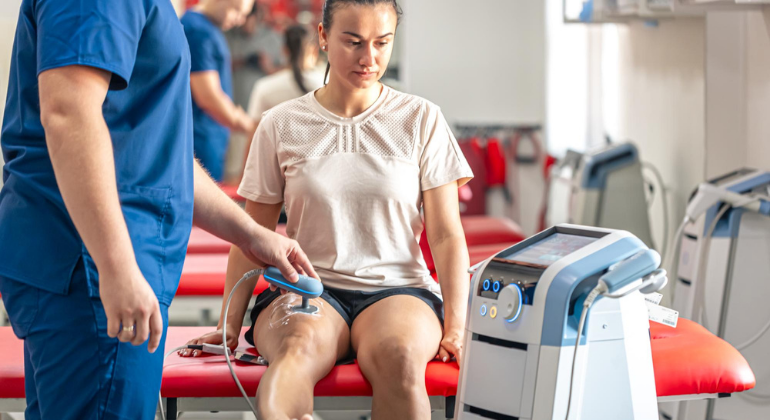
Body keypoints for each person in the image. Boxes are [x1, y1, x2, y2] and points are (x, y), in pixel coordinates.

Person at [0, 1, 317, 419]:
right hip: (91, 264)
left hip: (98, 260)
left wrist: (252, 234)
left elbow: (159, 154)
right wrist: (116, 269)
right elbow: (68, 113)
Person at [182, 1, 473, 419]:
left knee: (400, 359)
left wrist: (457, 325)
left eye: (382, 43)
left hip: (399, 289)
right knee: (294, 353)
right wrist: (229, 325)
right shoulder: (281, 123)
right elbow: (251, 233)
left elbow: (446, 235)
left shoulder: (421, 119)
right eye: (353, 42)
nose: (368, 58)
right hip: (307, 288)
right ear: (322, 37)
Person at [182, 0, 258, 182]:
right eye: (237, 11)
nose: (240, 20)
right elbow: (208, 97)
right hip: (199, 140)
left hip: (207, 137)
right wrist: (251, 127)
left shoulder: (205, 28)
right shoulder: (199, 32)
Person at [235, 24, 326, 176]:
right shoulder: (325, 85)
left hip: (274, 173)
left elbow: (254, 137)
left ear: (284, 50)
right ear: (314, 51)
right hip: (318, 172)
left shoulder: (265, 87)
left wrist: (244, 175)